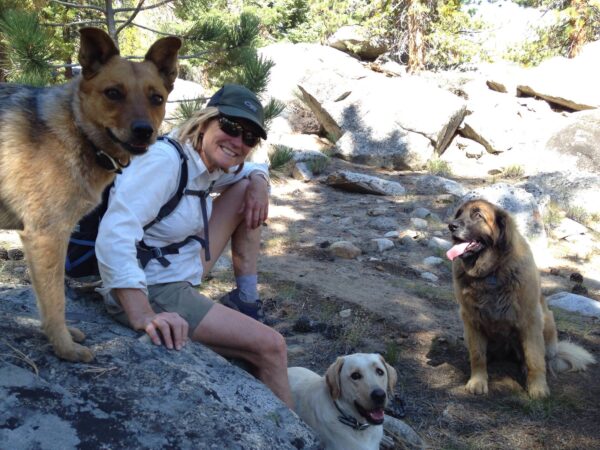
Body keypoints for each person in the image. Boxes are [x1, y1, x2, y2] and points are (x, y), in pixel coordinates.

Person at [95, 84, 293, 408]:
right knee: (272, 347)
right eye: (230, 127)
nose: (238, 142)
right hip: (152, 285)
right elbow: (114, 235)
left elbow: (254, 168)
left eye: (249, 138)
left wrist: (259, 183)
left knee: (244, 186)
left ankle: (246, 300)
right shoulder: (165, 161)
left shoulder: (207, 161)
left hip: (178, 267)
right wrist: (142, 313)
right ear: (205, 121)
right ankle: (293, 437)